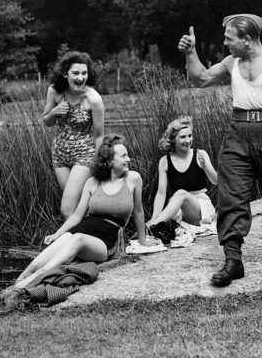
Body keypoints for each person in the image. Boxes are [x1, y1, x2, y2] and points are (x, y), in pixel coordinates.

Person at [178, 15, 262, 288]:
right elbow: (201, 79)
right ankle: (233, 260)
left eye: (230, 39)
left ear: (247, 40)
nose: (225, 43)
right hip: (237, 133)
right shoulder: (231, 62)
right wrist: (191, 53)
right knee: (231, 194)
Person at [14, 134, 148, 289]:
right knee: (35, 263)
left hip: (107, 241)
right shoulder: (92, 182)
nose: (129, 159)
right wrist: (57, 234)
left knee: (77, 239)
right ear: (110, 161)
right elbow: (78, 215)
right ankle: (14, 289)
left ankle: (40, 276)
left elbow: (138, 211)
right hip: (83, 229)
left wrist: (143, 241)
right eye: (124, 156)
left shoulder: (133, 178)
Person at [43, 51, 105, 219]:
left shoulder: (93, 99)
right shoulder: (55, 91)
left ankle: (75, 242)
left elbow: (99, 136)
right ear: (65, 73)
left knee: (67, 210)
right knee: (78, 207)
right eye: (75, 73)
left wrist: (98, 165)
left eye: (84, 73)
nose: (80, 77)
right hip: (60, 155)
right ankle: (87, 239)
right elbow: (47, 121)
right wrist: (54, 112)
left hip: (84, 155)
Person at [146, 116, 218, 229]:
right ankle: (153, 224)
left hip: (200, 208)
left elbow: (216, 181)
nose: (188, 140)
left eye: (190, 136)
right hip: (178, 208)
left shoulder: (200, 154)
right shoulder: (164, 161)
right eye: (183, 137)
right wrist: (154, 217)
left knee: (181, 193)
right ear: (173, 139)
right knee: (179, 195)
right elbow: (161, 193)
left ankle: (152, 227)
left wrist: (205, 166)